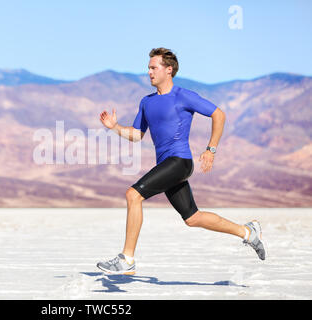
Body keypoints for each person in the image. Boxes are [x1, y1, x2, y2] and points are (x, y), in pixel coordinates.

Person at [97, 47, 265, 275]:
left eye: (153, 67)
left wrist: (211, 149)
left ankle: (127, 259)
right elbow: (137, 135)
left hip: (180, 161)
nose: (149, 72)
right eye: (148, 68)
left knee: (133, 194)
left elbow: (219, 114)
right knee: (193, 218)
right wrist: (114, 127)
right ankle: (247, 232)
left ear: (169, 70)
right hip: (167, 165)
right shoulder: (146, 102)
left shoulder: (182, 96)